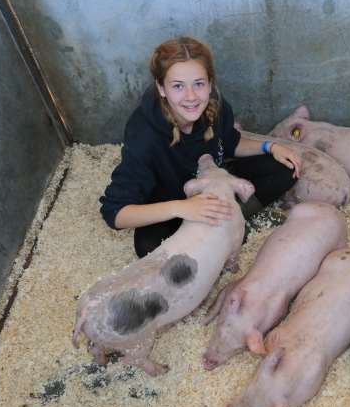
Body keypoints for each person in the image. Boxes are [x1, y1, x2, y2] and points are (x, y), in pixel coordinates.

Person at [99, 36, 301, 257]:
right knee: (147, 247)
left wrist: (269, 146)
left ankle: (232, 219)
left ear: (210, 83)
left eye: (199, 83)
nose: (191, 96)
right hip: (173, 203)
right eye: (178, 86)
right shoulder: (144, 135)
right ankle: (212, 228)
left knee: (286, 167)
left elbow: (231, 143)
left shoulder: (216, 106)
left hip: (216, 187)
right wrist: (182, 207)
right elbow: (115, 213)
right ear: (161, 88)